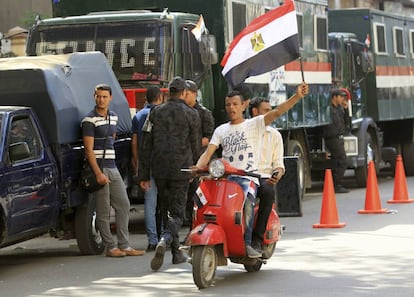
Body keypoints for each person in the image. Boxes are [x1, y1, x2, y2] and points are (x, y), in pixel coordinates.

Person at [196, 82, 308, 258]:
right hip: (225, 179)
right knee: (201, 198)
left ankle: (248, 242)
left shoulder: (255, 124)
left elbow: (278, 112)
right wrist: (198, 167)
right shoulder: (220, 130)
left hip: (249, 180)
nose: (231, 108)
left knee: (245, 203)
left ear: (243, 106)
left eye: (235, 104)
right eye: (228, 105)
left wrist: (297, 97)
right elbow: (208, 153)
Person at [138, 76, 201, 271]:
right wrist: (196, 168)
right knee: (177, 212)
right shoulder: (191, 114)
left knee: (165, 210)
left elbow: (145, 145)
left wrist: (143, 175)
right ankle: (165, 240)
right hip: (182, 169)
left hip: (160, 169)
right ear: (183, 93)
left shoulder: (155, 113)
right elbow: (195, 146)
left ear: (168, 92)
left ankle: (175, 253)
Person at [81, 84, 145, 257]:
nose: (101, 99)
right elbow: (88, 150)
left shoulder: (114, 117)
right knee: (103, 210)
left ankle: (124, 245)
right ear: (94, 97)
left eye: (104, 96)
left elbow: (112, 139)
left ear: (110, 98)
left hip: (112, 166)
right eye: (98, 96)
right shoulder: (89, 120)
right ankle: (110, 247)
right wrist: (98, 173)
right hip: (100, 168)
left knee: (123, 204)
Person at [248, 97, 285, 251]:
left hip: (263, 178)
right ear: (255, 112)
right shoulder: (243, 130)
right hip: (243, 177)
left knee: (268, 192)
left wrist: (277, 174)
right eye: (266, 111)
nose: (271, 114)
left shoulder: (275, 135)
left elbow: (278, 164)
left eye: (271, 111)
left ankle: (257, 238)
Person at [131, 86, 163, 251]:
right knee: (165, 203)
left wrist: (138, 165)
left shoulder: (138, 116)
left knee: (150, 205)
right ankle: (165, 238)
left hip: (147, 166)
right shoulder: (163, 114)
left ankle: (152, 240)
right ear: (159, 97)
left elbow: (135, 143)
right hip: (163, 165)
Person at [183, 80, 215, 226]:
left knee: (199, 195)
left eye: (187, 93)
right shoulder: (181, 112)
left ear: (195, 94)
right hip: (184, 159)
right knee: (188, 197)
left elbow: (208, 139)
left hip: (199, 160)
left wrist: (191, 143)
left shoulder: (204, 113)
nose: (184, 96)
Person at [323, 88, 350, 194]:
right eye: (340, 97)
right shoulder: (329, 110)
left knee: (337, 161)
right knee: (343, 159)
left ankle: (334, 183)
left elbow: (346, 122)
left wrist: (346, 110)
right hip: (332, 137)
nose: (342, 99)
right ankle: (336, 184)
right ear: (334, 97)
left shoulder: (339, 109)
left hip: (339, 137)